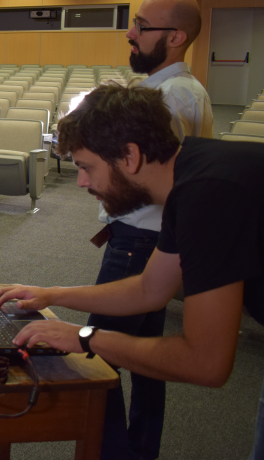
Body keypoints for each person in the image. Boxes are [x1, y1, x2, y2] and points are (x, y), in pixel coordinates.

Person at [0, 83, 264, 458]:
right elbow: (151, 289)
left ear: (130, 156)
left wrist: (85, 337)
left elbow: (207, 363)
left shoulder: (208, 195)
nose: (82, 182)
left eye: (87, 167)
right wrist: (51, 295)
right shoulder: (191, 176)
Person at [84, 0, 212, 457]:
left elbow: (157, 178)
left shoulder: (171, 95)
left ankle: (114, 451)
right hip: (153, 239)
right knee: (144, 356)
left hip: (142, 239)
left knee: (96, 359)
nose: (129, 33)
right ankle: (139, 449)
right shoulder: (181, 87)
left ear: (175, 37)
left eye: (140, 25)